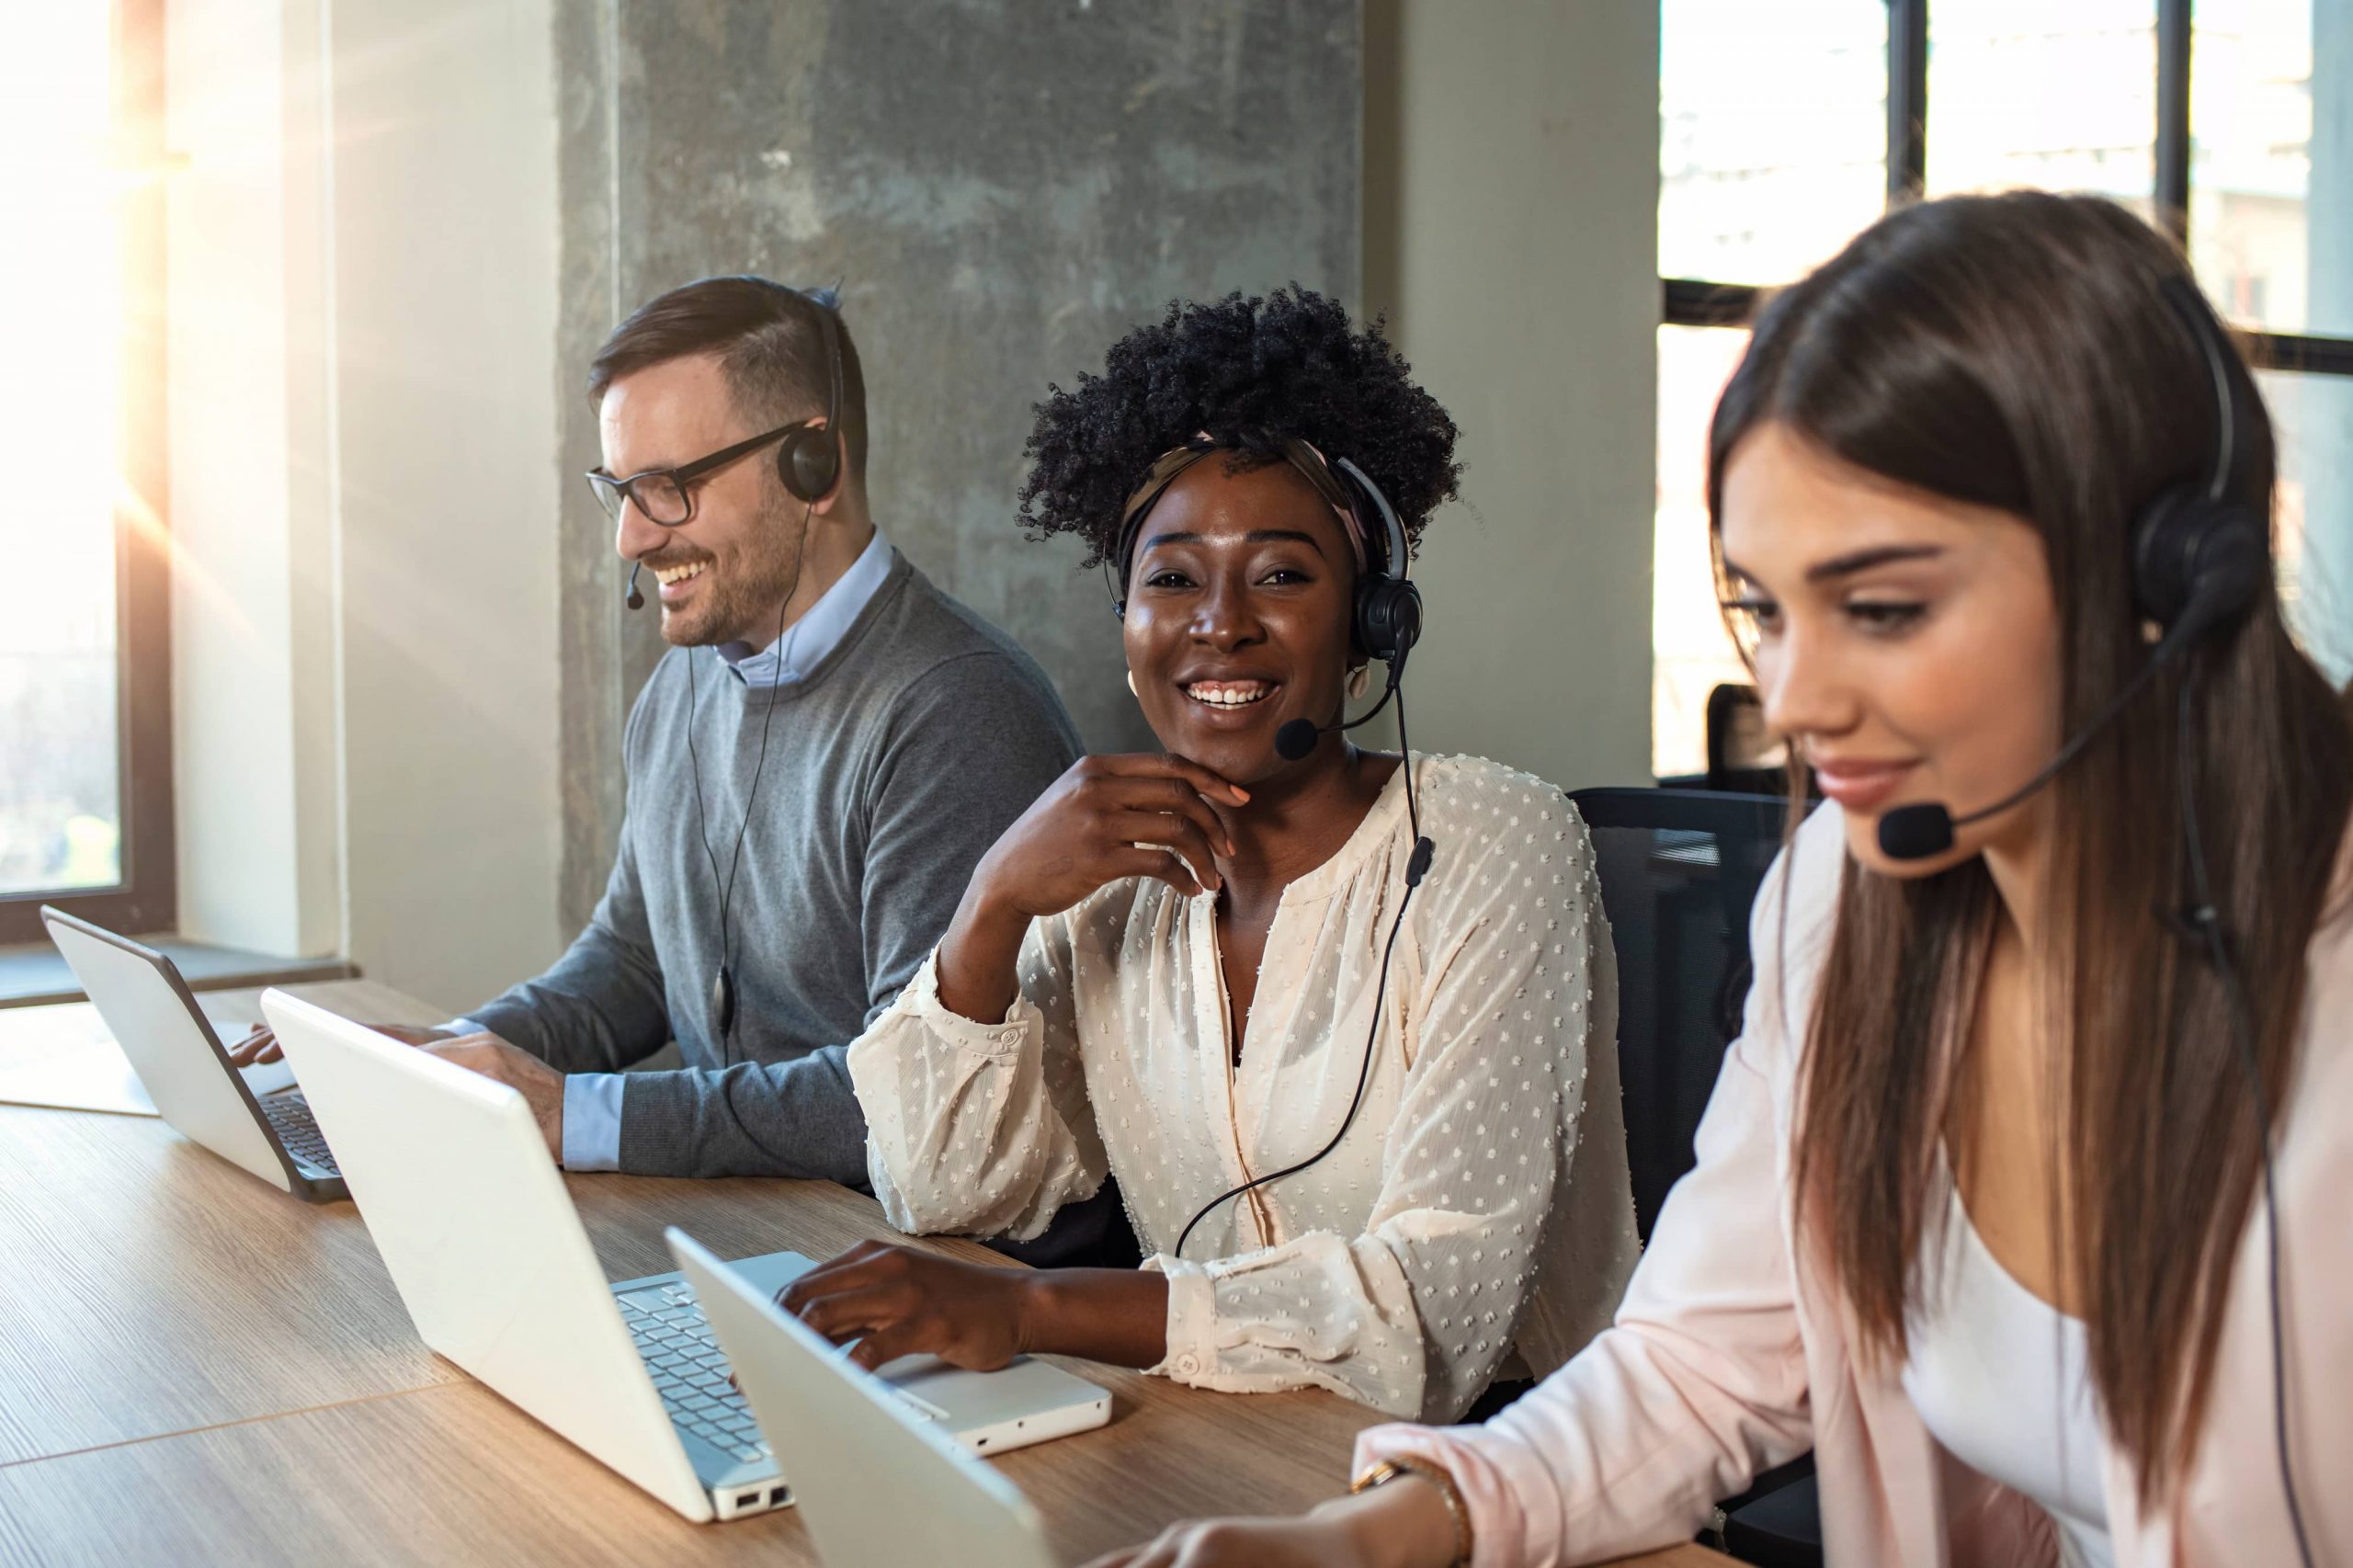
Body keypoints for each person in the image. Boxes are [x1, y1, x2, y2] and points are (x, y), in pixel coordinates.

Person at [1086, 195, 2353, 1568]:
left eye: (1881, 607)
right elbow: (1700, 1365)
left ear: (2164, 572)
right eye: (1766, 608)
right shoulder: (1850, 903)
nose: (1794, 701)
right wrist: (1359, 1539)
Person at [773, 287, 1642, 1425]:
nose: (1218, 623)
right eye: (1172, 578)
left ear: (1372, 617)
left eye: (1281, 574)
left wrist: (1034, 1313)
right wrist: (990, 907)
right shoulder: (1110, 887)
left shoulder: (1496, 840)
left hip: (1512, 1471)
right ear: (1127, 621)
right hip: (1223, 1436)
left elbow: (1435, 1310)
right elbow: (946, 1190)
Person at [233, 277, 1129, 1265]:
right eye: (620, 489)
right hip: (767, 1240)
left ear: (813, 463)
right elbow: (634, 962)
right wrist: (447, 1057)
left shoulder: (957, 711)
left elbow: (898, 1097)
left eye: (671, 486)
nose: (631, 535)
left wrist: (571, 1112)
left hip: (961, 1287)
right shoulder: (680, 689)